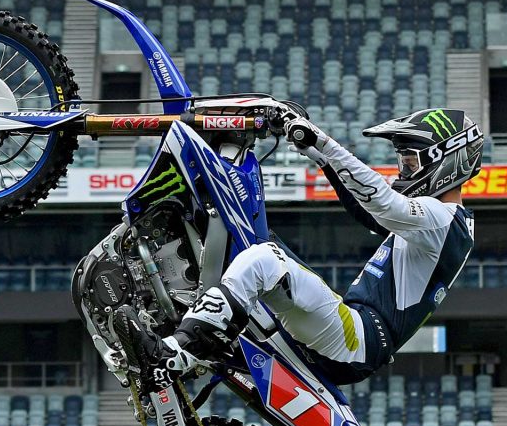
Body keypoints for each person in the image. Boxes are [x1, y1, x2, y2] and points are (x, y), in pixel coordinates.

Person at [129, 108, 482, 386]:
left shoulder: (444, 219)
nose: (402, 172)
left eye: (410, 162)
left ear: (448, 160)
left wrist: (323, 142)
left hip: (358, 337)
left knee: (263, 260)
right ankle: (178, 313)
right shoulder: (440, 224)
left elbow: (383, 204)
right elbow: (371, 215)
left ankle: (177, 353)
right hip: (356, 336)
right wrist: (318, 154)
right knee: (254, 242)